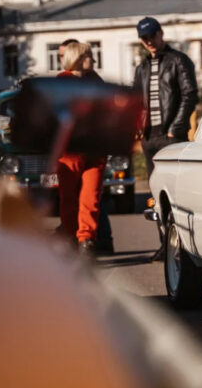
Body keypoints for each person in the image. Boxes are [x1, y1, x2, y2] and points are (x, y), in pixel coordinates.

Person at [57, 40, 114, 254]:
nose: (93, 59)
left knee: (91, 198)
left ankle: (87, 241)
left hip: (95, 151)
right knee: (69, 198)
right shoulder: (61, 82)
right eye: (89, 55)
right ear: (79, 59)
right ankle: (70, 237)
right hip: (69, 153)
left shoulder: (96, 81)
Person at [132, 17, 198, 176]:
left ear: (161, 33)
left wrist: (175, 128)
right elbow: (135, 100)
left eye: (152, 36)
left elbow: (190, 95)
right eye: (144, 38)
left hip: (171, 135)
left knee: (175, 185)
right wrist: (138, 127)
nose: (149, 41)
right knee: (154, 188)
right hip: (149, 138)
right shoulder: (142, 68)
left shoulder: (179, 60)